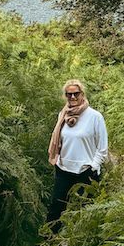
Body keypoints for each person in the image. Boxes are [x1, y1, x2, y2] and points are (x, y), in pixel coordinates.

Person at [46, 78, 108, 232]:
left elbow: (102, 147)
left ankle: (82, 242)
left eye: (76, 94)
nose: (72, 97)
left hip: (86, 171)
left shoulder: (95, 117)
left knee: (86, 211)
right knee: (56, 208)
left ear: (82, 94)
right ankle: (49, 240)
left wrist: (93, 166)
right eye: (69, 94)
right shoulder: (63, 115)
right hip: (63, 169)